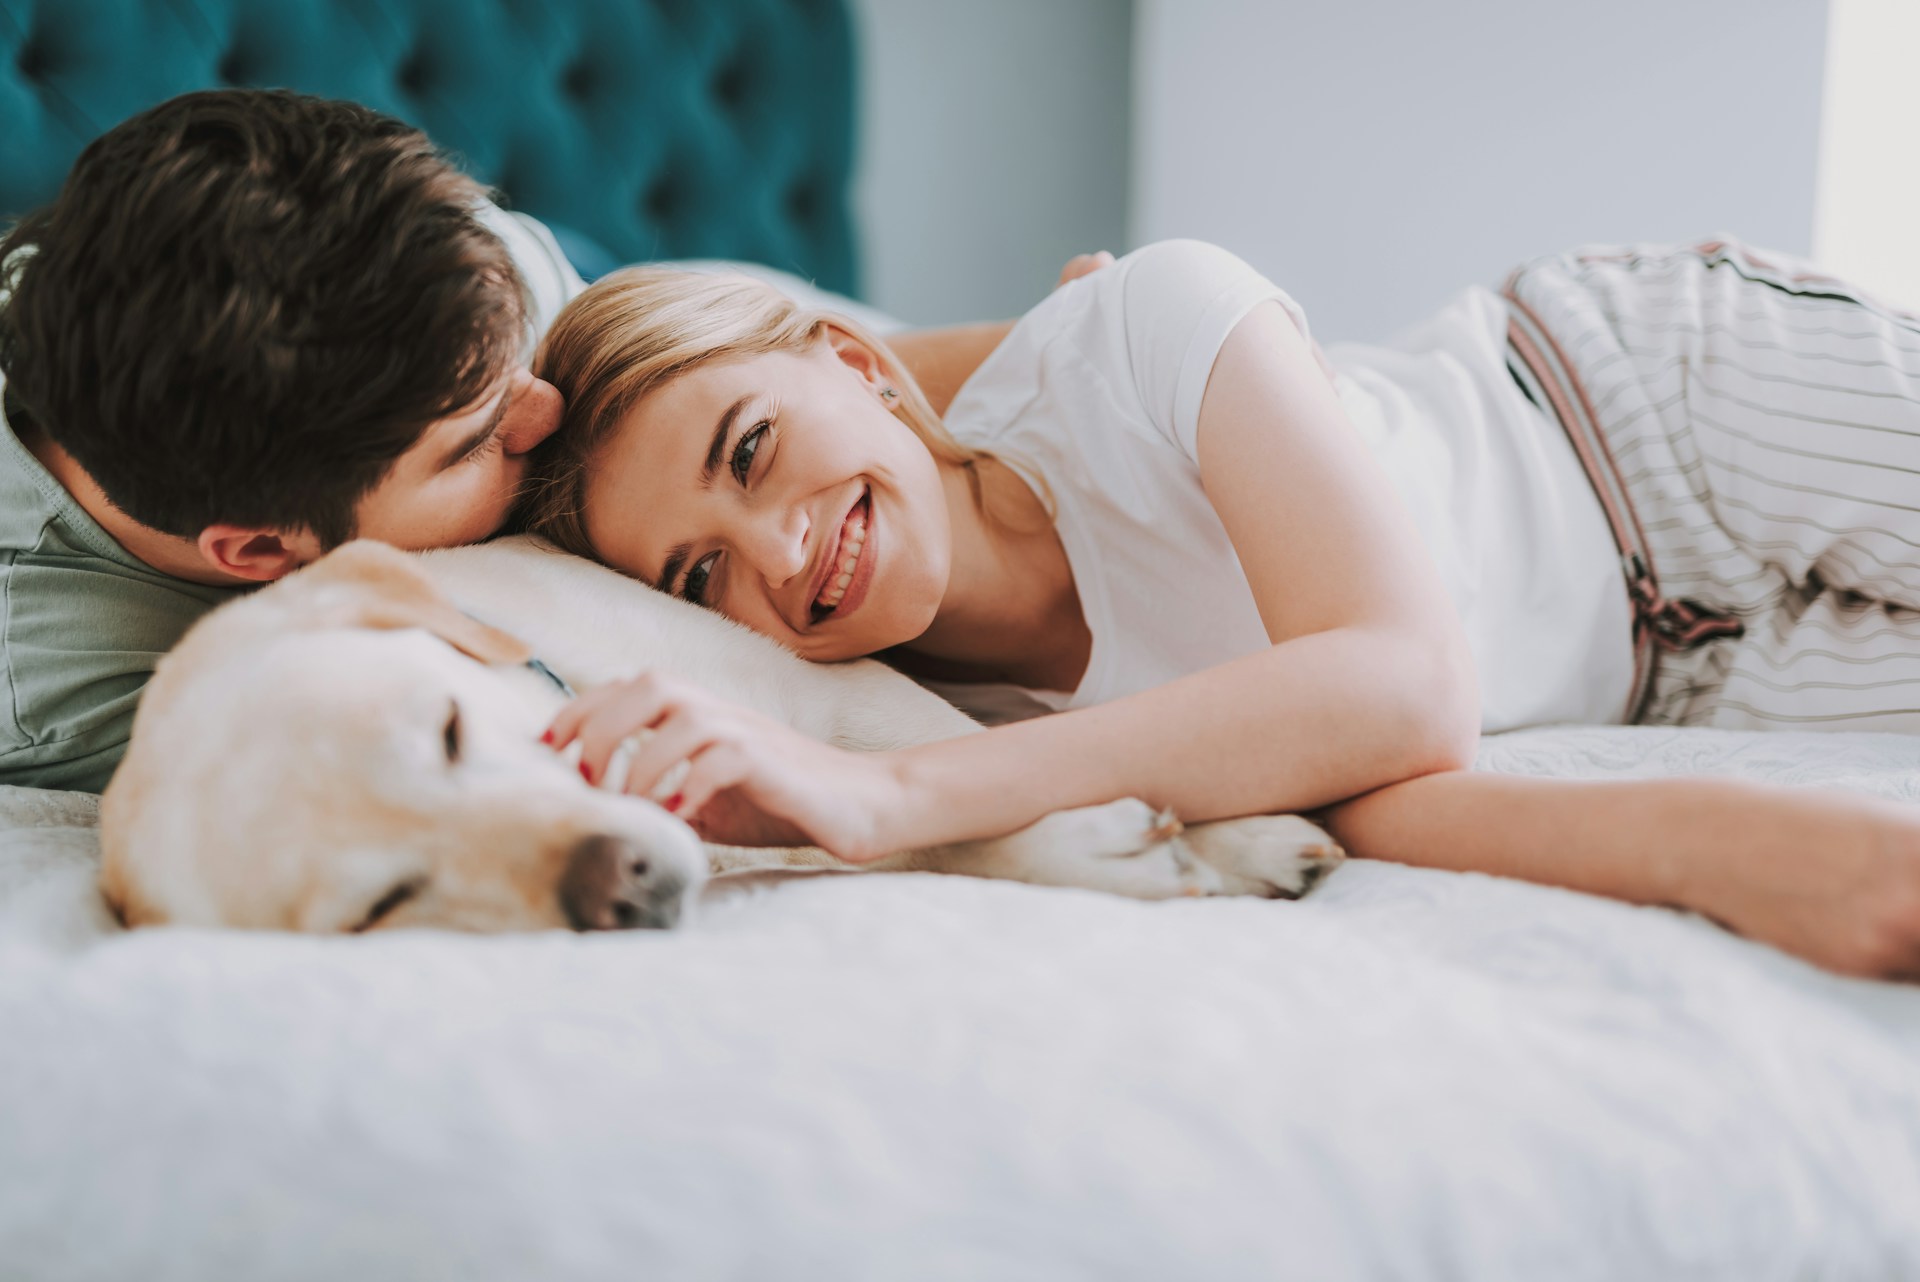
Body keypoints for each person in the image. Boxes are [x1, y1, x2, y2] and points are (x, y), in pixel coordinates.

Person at [520, 239, 1920, 982]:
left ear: (856, 364)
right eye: (697, 576)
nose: (775, 549)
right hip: (1684, 686)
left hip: (1651, 415)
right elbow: (1372, 795)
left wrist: (890, 797)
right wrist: (1741, 852)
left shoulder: (1143, 329)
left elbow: (1404, 689)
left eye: (751, 447)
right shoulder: (974, 722)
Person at [0, 88, 1028, 793]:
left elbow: (818, 376)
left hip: (576, 281)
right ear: (264, 553)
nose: (547, 411)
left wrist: (1063, 350)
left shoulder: (474, 287)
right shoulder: (68, 678)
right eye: (479, 440)